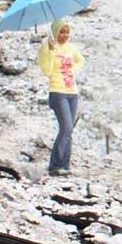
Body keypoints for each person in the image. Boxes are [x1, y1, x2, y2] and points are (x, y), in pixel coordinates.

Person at [38, 19, 85, 176]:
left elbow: (81, 60)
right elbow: (47, 71)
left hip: (72, 92)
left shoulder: (71, 48)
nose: (64, 35)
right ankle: (55, 165)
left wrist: (73, 71)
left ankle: (65, 166)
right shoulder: (47, 47)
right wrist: (51, 51)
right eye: (61, 32)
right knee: (66, 127)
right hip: (57, 92)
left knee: (69, 129)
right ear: (55, 32)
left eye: (67, 32)